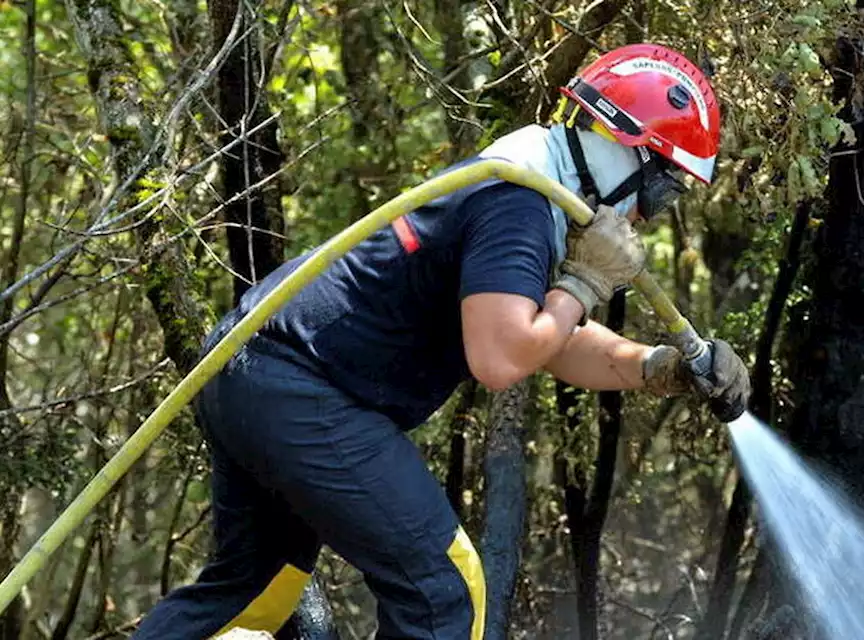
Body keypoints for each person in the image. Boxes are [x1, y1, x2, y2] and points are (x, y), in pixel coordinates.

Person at [131, 43, 750, 640]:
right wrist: (588, 280)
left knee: (253, 591)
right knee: (445, 590)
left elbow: (548, 338)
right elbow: (503, 357)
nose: (648, 215)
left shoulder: (531, 183)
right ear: (624, 146)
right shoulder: (521, 200)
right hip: (302, 389)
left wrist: (657, 365)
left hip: (252, 371)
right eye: (664, 191)